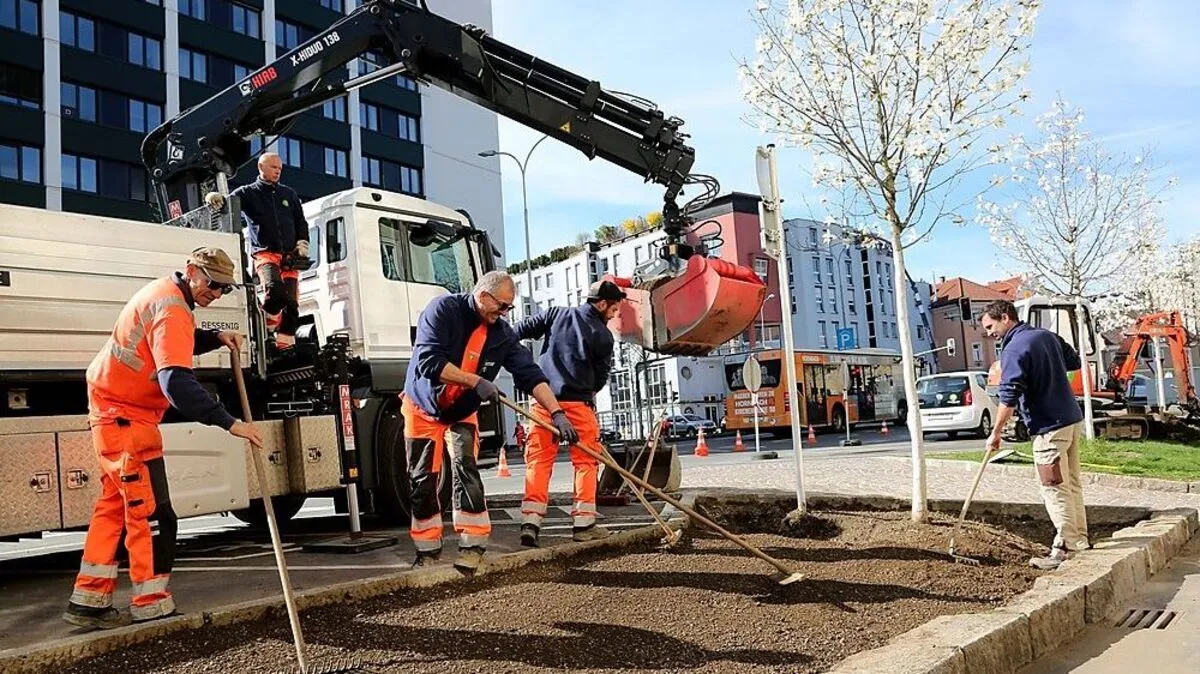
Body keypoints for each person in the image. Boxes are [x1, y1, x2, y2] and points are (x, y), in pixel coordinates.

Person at [65, 247, 265, 629]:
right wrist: (230, 423)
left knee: (115, 508)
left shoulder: (166, 297)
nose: (217, 293)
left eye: (224, 289)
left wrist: (214, 337)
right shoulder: (172, 308)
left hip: (113, 413)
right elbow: (176, 383)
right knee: (152, 513)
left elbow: (171, 339)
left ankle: (88, 599)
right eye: (212, 283)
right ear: (191, 271)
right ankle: (151, 602)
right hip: (127, 419)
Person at [404, 271, 579, 572]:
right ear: (483, 296)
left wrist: (557, 412)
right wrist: (475, 381)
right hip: (422, 407)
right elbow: (427, 361)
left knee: (466, 469)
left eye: (508, 308)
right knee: (422, 477)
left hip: (461, 411)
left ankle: (472, 546)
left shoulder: (502, 335)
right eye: (503, 306)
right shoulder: (443, 311)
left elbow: (530, 374)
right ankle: (427, 552)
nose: (505, 313)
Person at [512, 280, 627, 547]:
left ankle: (531, 521)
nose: (615, 314)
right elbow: (600, 378)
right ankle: (583, 525)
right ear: (601, 304)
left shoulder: (556, 314)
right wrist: (587, 391)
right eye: (613, 308)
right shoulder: (603, 336)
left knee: (538, 462)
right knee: (586, 463)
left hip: (543, 403)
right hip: (578, 406)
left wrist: (503, 350)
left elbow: (519, 330)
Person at [982, 299, 1089, 570]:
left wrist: (996, 433)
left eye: (990, 326)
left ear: (1005, 317)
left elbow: (1008, 394)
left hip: (1048, 426)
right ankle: (1080, 540)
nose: (989, 332)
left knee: (1053, 486)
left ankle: (1064, 546)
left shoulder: (1015, 347)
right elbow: (1073, 361)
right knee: (1072, 483)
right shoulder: (1046, 336)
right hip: (1070, 419)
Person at [205, 153, 309, 350]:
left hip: (289, 257)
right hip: (265, 254)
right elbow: (228, 203)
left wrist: (302, 243)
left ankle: (285, 345)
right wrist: (214, 197)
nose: (278, 171)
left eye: (280, 168)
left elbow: (300, 222)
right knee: (275, 291)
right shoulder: (249, 192)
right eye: (273, 167)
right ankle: (266, 324)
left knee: (292, 306)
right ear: (261, 168)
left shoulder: (289, 194)